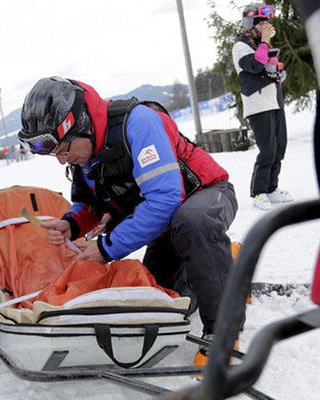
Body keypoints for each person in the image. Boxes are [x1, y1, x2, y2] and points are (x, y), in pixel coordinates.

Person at [18, 77, 238, 363]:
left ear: (81, 124)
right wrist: (70, 224)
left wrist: (107, 248)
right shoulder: (84, 154)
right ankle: (226, 264)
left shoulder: (138, 123)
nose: (63, 160)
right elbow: (90, 203)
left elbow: (165, 199)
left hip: (207, 199)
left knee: (193, 222)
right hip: (168, 229)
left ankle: (223, 329)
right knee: (164, 302)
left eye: (64, 149)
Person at [232, 2, 293, 210]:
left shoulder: (262, 46)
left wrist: (278, 73)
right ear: (251, 24)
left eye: (267, 23)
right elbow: (256, 65)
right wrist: (266, 42)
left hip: (274, 102)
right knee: (267, 149)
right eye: (262, 23)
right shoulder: (240, 47)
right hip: (258, 105)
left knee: (279, 147)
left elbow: (269, 70)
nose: (266, 26)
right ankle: (259, 193)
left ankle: (271, 188)